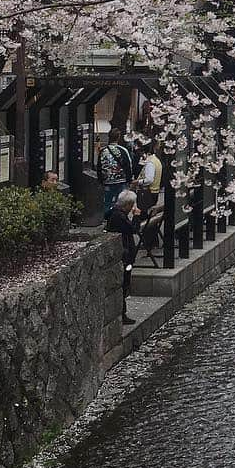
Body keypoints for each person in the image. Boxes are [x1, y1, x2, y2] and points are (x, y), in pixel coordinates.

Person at [106, 189, 140, 325]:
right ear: (128, 205)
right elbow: (133, 229)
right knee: (124, 283)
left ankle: (122, 312)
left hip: (125, 253)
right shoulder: (118, 217)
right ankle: (122, 313)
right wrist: (136, 216)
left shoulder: (115, 213)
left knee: (125, 283)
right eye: (132, 205)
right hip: (124, 255)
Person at [96, 129, 133, 218]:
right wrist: (129, 179)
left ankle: (107, 218)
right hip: (121, 180)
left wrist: (101, 180)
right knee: (121, 201)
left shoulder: (103, 151)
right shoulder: (123, 150)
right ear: (118, 138)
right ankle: (119, 218)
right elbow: (128, 165)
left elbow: (99, 166)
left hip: (107, 181)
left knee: (107, 202)